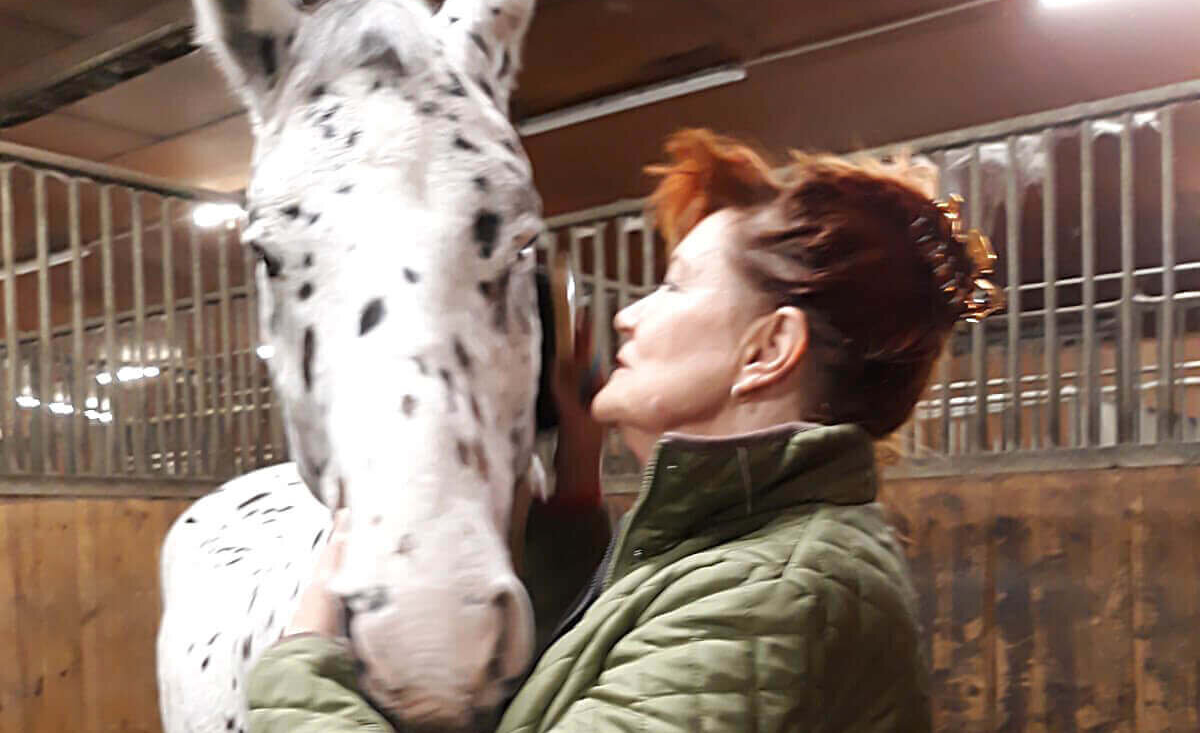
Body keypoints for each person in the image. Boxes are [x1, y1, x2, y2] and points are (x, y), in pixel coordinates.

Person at [246, 128, 1002, 732]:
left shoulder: (780, 592)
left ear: (768, 350)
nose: (628, 314)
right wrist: (578, 474)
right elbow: (590, 669)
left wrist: (300, 668)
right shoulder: (743, 544)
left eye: (675, 285)